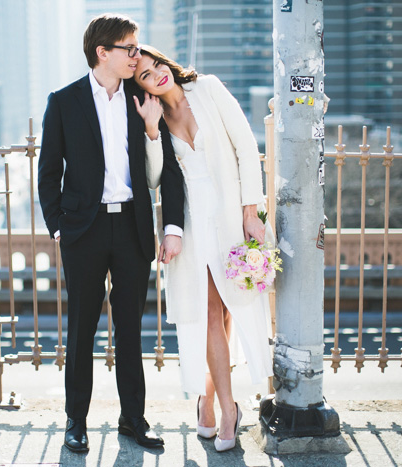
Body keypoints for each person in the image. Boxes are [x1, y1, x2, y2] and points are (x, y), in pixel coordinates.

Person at [37, 15, 184, 453]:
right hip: (84, 229)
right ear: (104, 52)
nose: (138, 56)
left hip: (133, 226)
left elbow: (167, 173)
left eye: (137, 48)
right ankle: (75, 421)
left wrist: (154, 129)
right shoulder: (63, 102)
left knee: (130, 331)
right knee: (81, 329)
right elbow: (48, 173)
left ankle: (132, 419)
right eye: (130, 49)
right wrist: (58, 225)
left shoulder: (143, 99)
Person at [132, 45, 274, 452]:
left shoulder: (208, 89)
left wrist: (253, 211)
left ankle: (206, 401)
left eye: (156, 64)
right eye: (144, 75)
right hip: (193, 226)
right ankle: (228, 410)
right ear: (141, 87)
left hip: (232, 218)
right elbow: (156, 178)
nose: (156, 73)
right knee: (211, 312)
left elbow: (246, 148)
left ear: (166, 63)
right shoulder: (153, 116)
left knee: (230, 313)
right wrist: (153, 130)